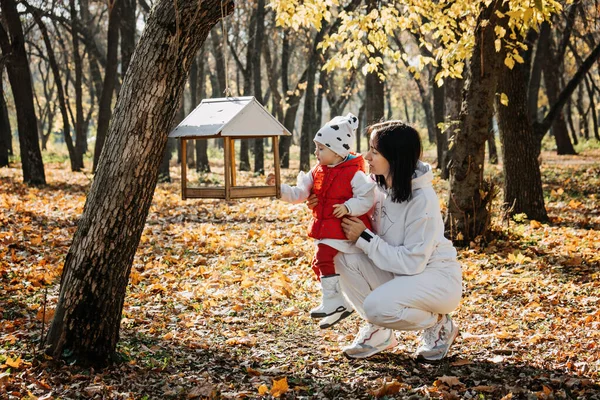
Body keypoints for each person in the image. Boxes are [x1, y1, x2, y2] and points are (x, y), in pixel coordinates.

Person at [324, 120, 462, 362]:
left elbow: (412, 263)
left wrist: (365, 238)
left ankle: (439, 323)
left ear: (394, 157)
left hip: (435, 279)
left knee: (377, 307)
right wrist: (317, 199)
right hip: (398, 273)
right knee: (342, 255)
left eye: (374, 152)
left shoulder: (423, 200)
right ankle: (378, 332)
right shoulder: (377, 187)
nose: (366, 156)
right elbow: (340, 195)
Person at [267, 113, 376, 329]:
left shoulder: (354, 173)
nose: (316, 153)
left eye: (321, 148)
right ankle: (338, 303)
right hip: (325, 228)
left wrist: (348, 207)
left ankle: (334, 301)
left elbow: (367, 198)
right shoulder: (317, 171)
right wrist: (278, 189)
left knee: (323, 255)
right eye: (316, 148)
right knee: (319, 263)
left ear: (337, 151)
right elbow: (300, 193)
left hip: (341, 230)